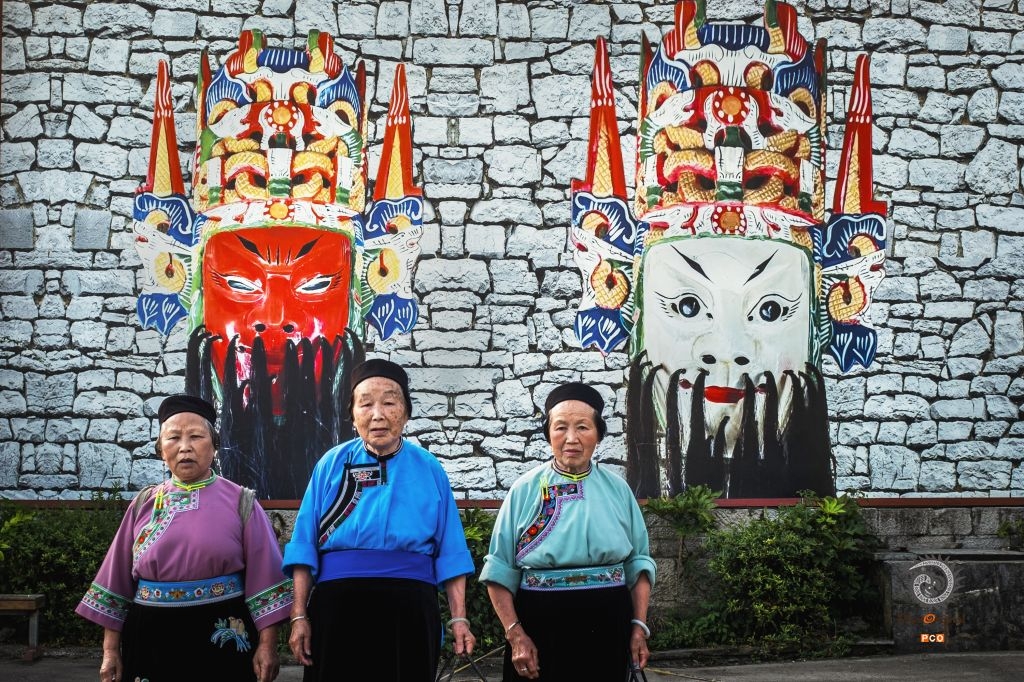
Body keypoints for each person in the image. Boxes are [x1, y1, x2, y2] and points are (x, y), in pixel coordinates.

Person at [76, 394, 293, 682]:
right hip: (149, 638)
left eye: (196, 436)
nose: (185, 447)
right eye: (173, 438)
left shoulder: (241, 502)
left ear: (214, 445)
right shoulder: (143, 504)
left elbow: (266, 579)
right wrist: (110, 650)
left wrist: (267, 646)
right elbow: (116, 582)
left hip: (222, 636)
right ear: (160, 449)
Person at [283, 358, 476, 681]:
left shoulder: (429, 468)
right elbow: (304, 546)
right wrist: (299, 615)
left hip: (410, 612)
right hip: (337, 611)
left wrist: (459, 619)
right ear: (352, 414)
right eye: (365, 404)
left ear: (406, 412)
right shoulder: (331, 464)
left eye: (389, 402)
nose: (378, 415)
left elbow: (451, 551)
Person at [481, 382, 657, 681]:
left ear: (598, 434)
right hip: (539, 624)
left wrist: (638, 627)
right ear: (548, 433)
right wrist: (515, 635)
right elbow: (499, 569)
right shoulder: (524, 490)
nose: (571, 438)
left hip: (607, 624)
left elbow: (638, 564)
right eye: (561, 427)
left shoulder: (618, 490)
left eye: (583, 427)